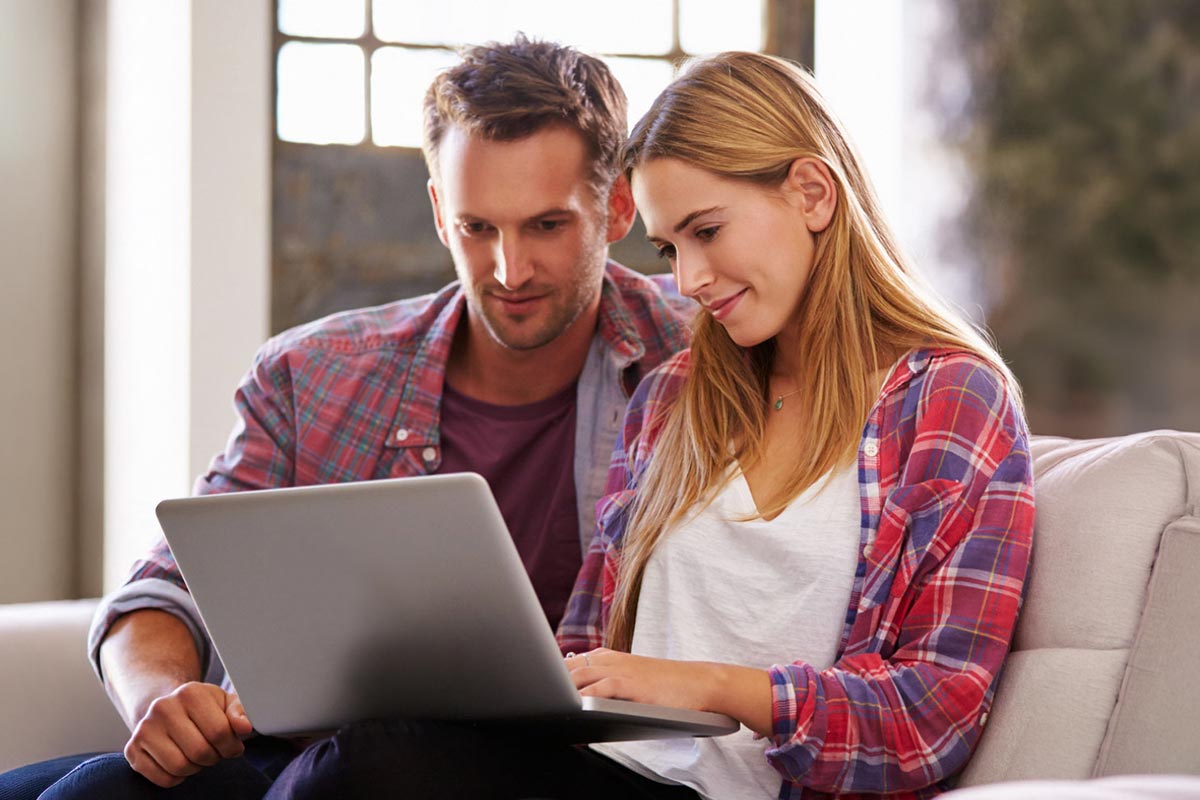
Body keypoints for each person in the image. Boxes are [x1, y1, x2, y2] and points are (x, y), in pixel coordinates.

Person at [261, 52, 1035, 800]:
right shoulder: (673, 397)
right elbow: (586, 650)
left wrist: (705, 686)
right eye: (669, 247)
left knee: (372, 764)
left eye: (707, 231)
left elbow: (931, 717)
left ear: (812, 193)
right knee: (158, 779)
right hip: (607, 775)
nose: (688, 279)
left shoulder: (951, 399)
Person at [0, 37, 691, 800]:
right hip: (312, 755)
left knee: (370, 763)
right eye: (477, 228)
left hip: (542, 772)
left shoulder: (698, 359)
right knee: (67, 794)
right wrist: (158, 700)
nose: (509, 270)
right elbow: (170, 586)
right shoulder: (315, 373)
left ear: (616, 205)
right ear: (438, 211)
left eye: (547, 226)